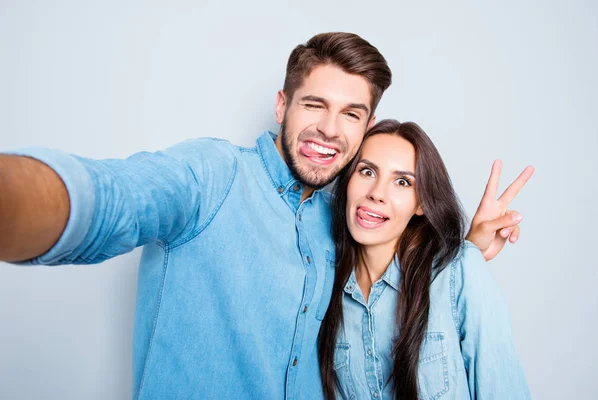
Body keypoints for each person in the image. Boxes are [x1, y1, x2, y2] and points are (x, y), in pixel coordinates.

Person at [0, 33, 530, 399]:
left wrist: (463, 252)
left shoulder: (345, 222)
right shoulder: (212, 175)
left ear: (366, 125)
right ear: (281, 105)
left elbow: (400, 291)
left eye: (351, 114)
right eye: (313, 104)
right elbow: (111, 197)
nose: (329, 128)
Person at [318, 120, 532, 399]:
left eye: (402, 182)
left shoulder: (460, 273)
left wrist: (466, 259)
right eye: (367, 171)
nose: (377, 193)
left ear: (421, 203)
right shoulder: (323, 286)